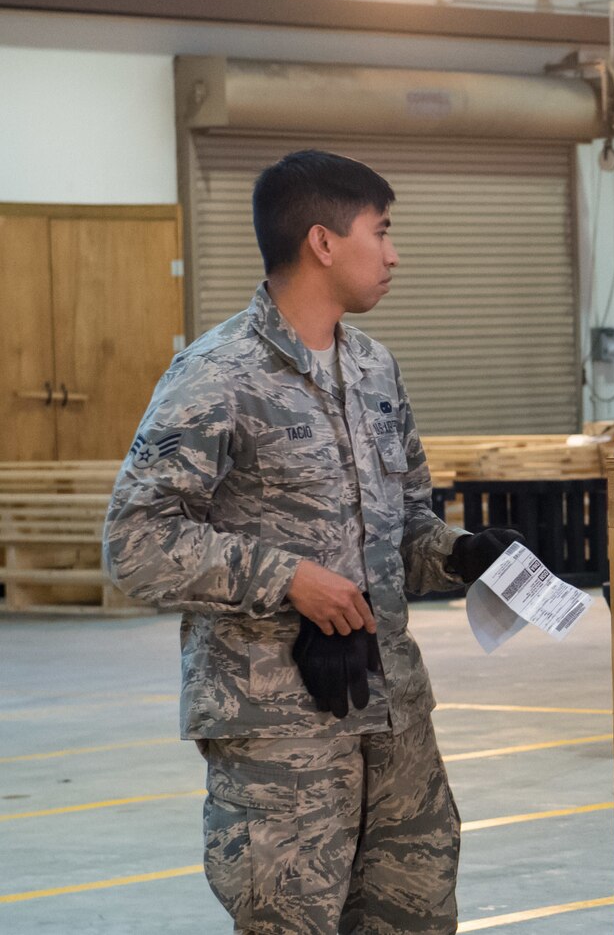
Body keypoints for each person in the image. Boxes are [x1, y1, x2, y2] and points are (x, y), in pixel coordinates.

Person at [103, 150, 523, 934]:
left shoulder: (374, 369)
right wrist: (288, 577)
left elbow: (402, 528)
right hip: (280, 737)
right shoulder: (216, 373)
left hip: (392, 718)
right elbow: (135, 540)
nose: (394, 253)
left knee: (417, 917)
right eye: (382, 231)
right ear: (324, 242)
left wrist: (460, 553)